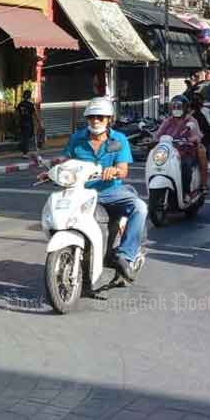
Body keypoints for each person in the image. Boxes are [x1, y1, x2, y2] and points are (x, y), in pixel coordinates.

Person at [54, 97, 147, 283]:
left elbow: (123, 170)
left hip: (111, 192)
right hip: (80, 193)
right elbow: (64, 162)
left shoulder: (118, 140)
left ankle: (125, 256)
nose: (96, 121)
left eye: (100, 117)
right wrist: (51, 171)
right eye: (92, 117)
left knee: (140, 207)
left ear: (109, 119)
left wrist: (114, 170)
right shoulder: (76, 139)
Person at [152, 94, 209, 193]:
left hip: (185, 152)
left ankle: (185, 192)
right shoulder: (168, 121)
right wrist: (154, 139)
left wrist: (189, 139)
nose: (176, 109)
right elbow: (159, 133)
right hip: (169, 152)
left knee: (185, 166)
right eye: (174, 107)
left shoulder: (191, 120)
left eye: (179, 107)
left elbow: (197, 135)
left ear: (185, 108)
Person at [15, 88, 42, 155]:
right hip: (28, 123)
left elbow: (16, 114)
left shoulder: (20, 104)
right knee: (27, 137)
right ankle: (25, 152)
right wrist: (39, 122)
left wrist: (17, 122)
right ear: (29, 96)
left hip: (22, 122)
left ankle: (22, 147)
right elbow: (35, 114)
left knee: (25, 136)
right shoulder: (30, 104)